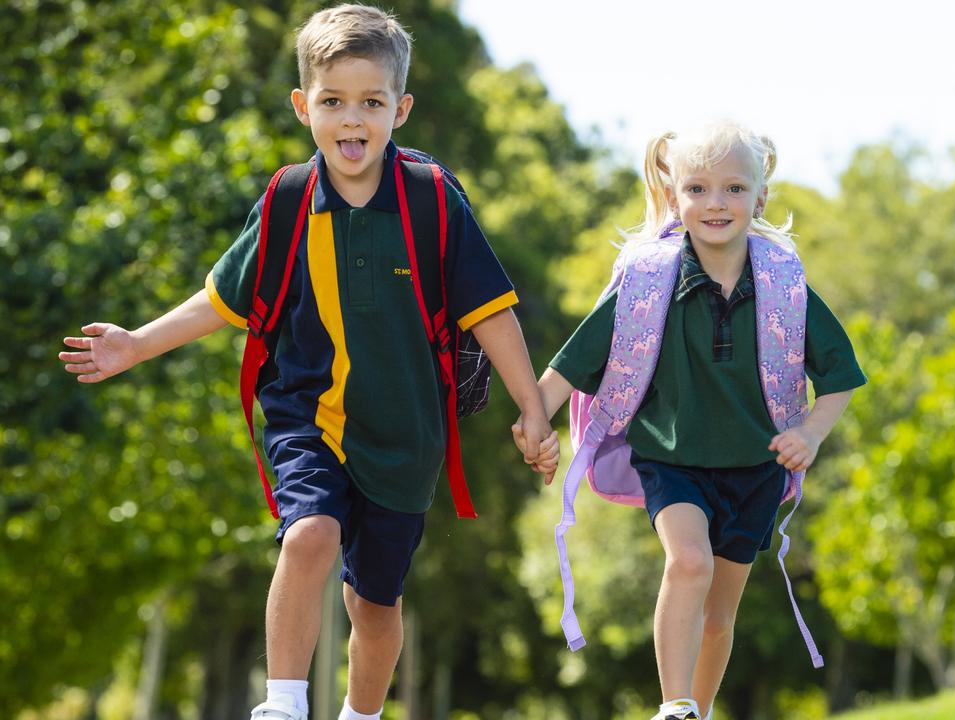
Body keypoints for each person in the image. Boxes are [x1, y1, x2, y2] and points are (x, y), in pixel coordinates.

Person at [58, 5, 554, 719]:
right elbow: (226, 300)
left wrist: (532, 407)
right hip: (307, 415)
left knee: (374, 606)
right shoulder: (289, 199)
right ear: (303, 106)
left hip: (405, 440)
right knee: (309, 533)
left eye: (371, 103)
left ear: (401, 109)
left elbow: (491, 311)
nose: (351, 121)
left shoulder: (431, 200)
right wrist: (136, 343)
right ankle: (283, 705)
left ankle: (361, 713)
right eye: (332, 102)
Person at [515, 121, 867, 720]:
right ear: (675, 195)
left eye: (734, 189)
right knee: (689, 563)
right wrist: (534, 419)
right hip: (670, 458)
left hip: (756, 467)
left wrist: (808, 433)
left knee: (720, 614)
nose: (716, 203)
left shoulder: (784, 284)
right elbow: (574, 361)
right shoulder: (647, 281)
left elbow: (840, 378)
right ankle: (673, 705)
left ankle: (697, 712)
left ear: (760, 197)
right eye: (698, 188)